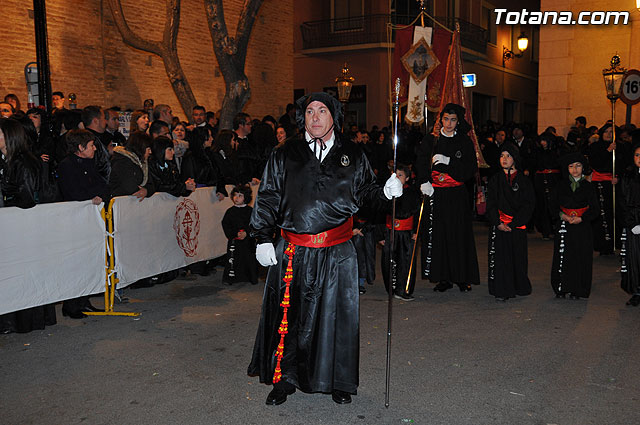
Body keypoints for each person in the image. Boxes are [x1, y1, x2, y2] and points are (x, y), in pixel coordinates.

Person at [247, 92, 402, 406]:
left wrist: (386, 192)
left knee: (337, 319)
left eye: (321, 111)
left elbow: (367, 195)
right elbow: (267, 196)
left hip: (337, 252)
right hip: (294, 251)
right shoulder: (284, 153)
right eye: (308, 111)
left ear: (334, 117)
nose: (314, 117)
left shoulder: (354, 155)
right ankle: (284, 380)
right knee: (288, 319)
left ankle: (338, 380)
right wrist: (262, 237)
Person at [0, 118, 57, 333]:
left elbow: (26, 198)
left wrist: (6, 190)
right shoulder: (8, 160)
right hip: (15, 227)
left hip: (25, 227)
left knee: (26, 274)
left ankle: (26, 321)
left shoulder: (23, 162)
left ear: (9, 136)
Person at [420, 103, 480, 292]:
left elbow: (470, 169)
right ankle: (443, 277)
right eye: (446, 119)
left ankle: (462, 276)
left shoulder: (464, 141)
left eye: (453, 120)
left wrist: (450, 161)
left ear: (458, 121)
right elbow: (421, 162)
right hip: (436, 194)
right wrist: (424, 182)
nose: (449, 123)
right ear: (441, 120)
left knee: (458, 235)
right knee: (439, 235)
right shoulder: (432, 140)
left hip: (456, 195)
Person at [57, 129, 109, 318]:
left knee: (89, 262)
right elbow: (72, 192)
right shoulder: (66, 166)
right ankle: (71, 305)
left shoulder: (89, 162)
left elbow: (102, 185)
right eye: (91, 145)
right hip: (74, 222)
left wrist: (99, 196)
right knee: (76, 264)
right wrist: (91, 198)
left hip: (90, 220)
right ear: (80, 148)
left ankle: (83, 300)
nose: (95, 149)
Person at [486, 143, 535, 301]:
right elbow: (491, 203)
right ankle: (501, 288)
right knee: (501, 259)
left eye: (508, 156)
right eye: (502, 156)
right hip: (500, 225)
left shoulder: (523, 180)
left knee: (518, 257)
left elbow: (528, 204)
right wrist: (498, 222)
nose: (504, 159)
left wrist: (514, 223)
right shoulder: (495, 179)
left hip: (516, 225)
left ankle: (519, 285)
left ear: (515, 158)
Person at [550, 153, 600, 299]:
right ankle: (561, 287)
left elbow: (595, 209)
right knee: (563, 255)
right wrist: (562, 216)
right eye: (571, 166)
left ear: (583, 167)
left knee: (580, 256)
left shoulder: (589, 187)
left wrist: (582, 218)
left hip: (582, 226)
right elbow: (552, 204)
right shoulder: (560, 185)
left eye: (578, 166)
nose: (575, 169)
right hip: (564, 225)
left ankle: (578, 289)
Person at [380, 164, 420, 301]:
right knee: (389, 261)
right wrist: (380, 234)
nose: (397, 178)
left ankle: (402, 289)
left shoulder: (412, 193)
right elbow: (379, 213)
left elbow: (416, 214)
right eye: (395, 175)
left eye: (400, 175)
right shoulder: (386, 191)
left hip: (406, 233)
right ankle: (391, 288)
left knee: (405, 262)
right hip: (390, 231)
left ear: (407, 178)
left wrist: (416, 231)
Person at [587, 123, 616, 255]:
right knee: (600, 213)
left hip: (613, 183)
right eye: (607, 132)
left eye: (611, 132)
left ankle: (613, 244)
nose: (609, 134)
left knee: (612, 213)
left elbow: (622, 164)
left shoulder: (618, 147)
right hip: (599, 182)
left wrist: (618, 177)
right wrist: (608, 151)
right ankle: (600, 243)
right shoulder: (595, 147)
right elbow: (596, 163)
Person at [221, 185, 257, 285]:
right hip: (234, 240)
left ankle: (251, 277)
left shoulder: (251, 211)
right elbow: (225, 224)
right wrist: (234, 234)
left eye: (240, 195)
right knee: (233, 259)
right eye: (235, 195)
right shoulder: (230, 211)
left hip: (247, 240)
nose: (237, 198)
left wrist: (247, 233)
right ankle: (230, 279)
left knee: (248, 258)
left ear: (246, 197)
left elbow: (254, 224)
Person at [620, 142, 640, 306]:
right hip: (633, 222)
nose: (639, 159)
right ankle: (637, 290)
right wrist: (631, 222)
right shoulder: (628, 175)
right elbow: (623, 201)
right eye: (637, 155)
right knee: (635, 258)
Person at [108, 131, 155, 199]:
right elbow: (130, 188)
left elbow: (152, 185)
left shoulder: (143, 162)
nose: (150, 152)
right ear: (141, 148)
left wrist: (146, 191)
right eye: (148, 149)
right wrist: (141, 190)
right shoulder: (121, 161)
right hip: (120, 204)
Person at [532, 132, 561, 240]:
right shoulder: (538, 152)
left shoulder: (556, 152)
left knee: (553, 203)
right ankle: (545, 229)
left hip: (553, 180)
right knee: (542, 204)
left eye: (544, 140)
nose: (542, 143)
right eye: (541, 140)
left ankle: (554, 228)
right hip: (541, 180)